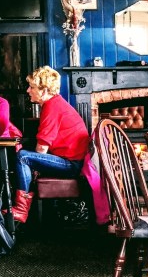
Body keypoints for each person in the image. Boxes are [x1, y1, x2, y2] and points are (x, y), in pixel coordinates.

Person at [11, 65, 90, 223]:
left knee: (22, 157)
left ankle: (20, 209)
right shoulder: (55, 103)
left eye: (32, 87)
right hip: (73, 161)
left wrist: (35, 166)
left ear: (44, 90)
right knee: (25, 157)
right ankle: (22, 208)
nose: (28, 90)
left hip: (71, 165)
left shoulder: (52, 107)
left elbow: (41, 149)